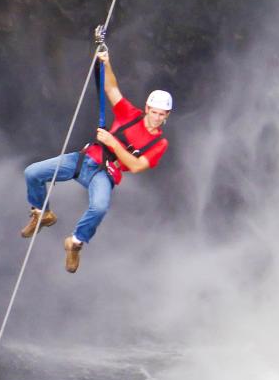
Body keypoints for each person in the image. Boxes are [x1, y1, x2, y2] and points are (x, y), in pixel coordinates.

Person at [21, 45, 172, 273]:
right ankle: (42, 213)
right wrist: (106, 62)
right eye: (154, 112)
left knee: (99, 207)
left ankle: (76, 242)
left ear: (166, 116)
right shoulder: (130, 116)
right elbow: (111, 89)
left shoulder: (159, 143)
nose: (156, 118)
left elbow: (136, 165)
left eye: (162, 114)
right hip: (84, 159)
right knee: (32, 173)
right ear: (147, 108)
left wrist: (112, 142)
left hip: (105, 173)